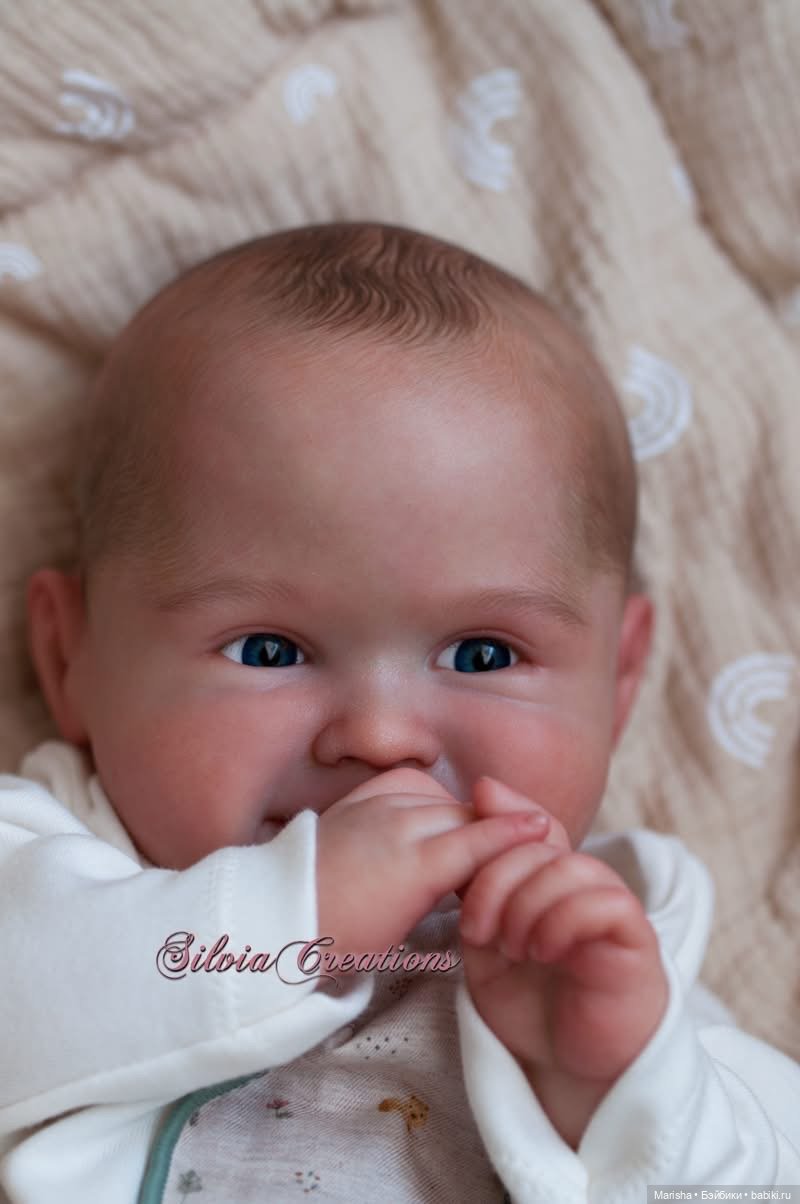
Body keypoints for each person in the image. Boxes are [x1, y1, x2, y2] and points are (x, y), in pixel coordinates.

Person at [0, 222, 797, 1203]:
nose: (380, 737)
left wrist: (616, 1096)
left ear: (618, 679)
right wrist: (296, 916)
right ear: (69, 656)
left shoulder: (610, 953)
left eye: (482, 654)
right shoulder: (43, 865)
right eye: (268, 649)